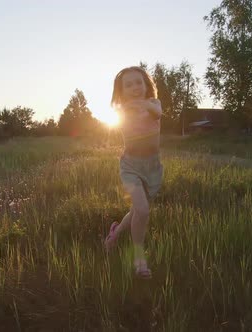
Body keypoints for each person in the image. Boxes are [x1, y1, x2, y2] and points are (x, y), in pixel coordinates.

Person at [103, 66, 163, 279]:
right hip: (130, 168)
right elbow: (122, 114)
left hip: (153, 169)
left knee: (137, 210)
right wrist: (133, 106)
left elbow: (157, 113)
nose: (135, 87)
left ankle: (113, 235)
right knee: (143, 211)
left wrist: (145, 104)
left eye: (139, 82)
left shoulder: (155, 104)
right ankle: (140, 260)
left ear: (147, 85)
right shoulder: (123, 109)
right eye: (128, 85)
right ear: (121, 91)